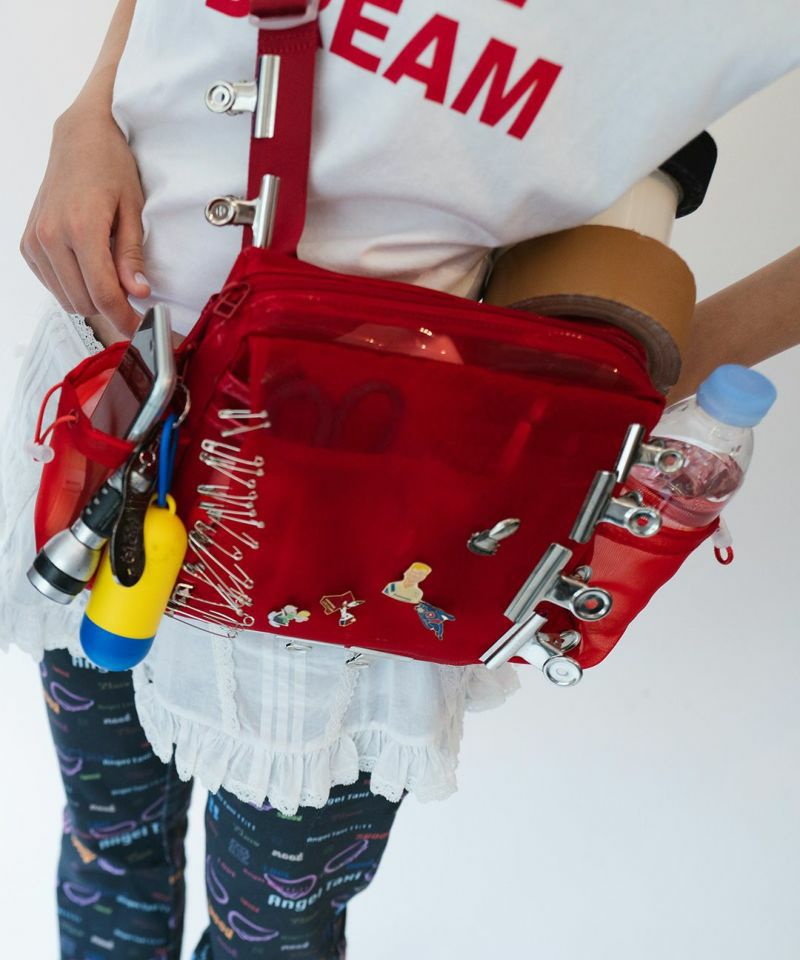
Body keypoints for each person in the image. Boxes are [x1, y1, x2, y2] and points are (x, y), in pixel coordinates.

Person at [5, 1, 800, 957]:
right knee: (108, 842)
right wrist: (89, 110)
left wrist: (623, 388)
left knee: (271, 933)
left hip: (344, 552)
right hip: (106, 420)